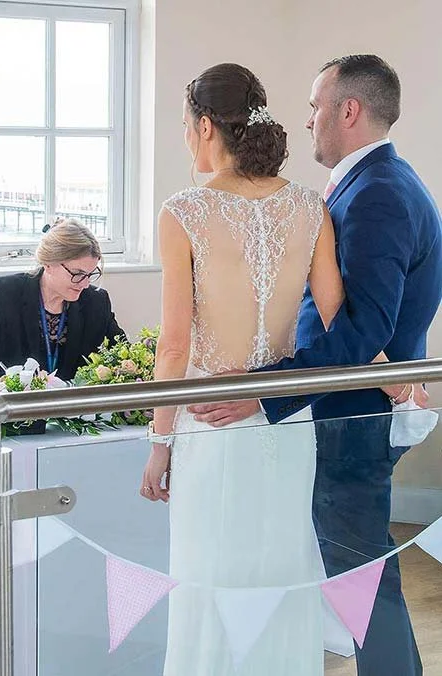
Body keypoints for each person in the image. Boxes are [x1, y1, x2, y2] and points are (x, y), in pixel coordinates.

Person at [189, 55, 442, 675]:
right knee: (360, 580)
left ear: (348, 110)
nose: (306, 122)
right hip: (346, 412)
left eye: (314, 107)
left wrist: (264, 392)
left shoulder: (380, 191)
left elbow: (362, 331)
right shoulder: (382, 182)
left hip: (350, 417)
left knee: (359, 582)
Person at [139, 63, 343, 674]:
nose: (184, 138)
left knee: (208, 574)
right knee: (281, 566)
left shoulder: (183, 212)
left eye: (184, 125)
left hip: (210, 423)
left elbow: (174, 346)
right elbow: (338, 321)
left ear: (206, 126)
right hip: (284, 421)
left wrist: (158, 441)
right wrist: (399, 373)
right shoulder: (310, 205)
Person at [0, 217, 124, 394]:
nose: (85, 284)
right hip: (10, 410)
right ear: (48, 263)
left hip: (70, 413)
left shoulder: (95, 302)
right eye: (77, 274)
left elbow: (120, 355)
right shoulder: (2, 293)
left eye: (91, 274)